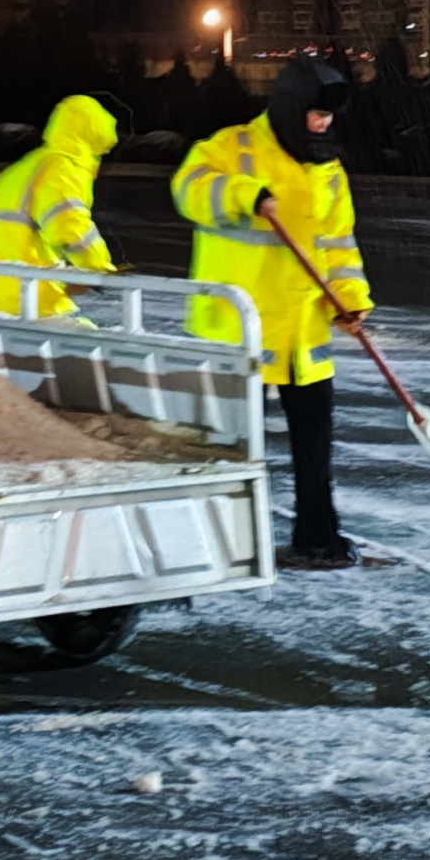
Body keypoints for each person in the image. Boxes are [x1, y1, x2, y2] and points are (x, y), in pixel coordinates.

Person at [172, 58, 373, 570]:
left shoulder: (327, 169)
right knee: (231, 449)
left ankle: (317, 536)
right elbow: (187, 189)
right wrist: (246, 195)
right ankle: (216, 543)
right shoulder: (232, 148)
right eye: (315, 114)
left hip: (302, 331)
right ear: (290, 107)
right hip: (239, 330)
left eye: (329, 117)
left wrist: (350, 300)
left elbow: (339, 244)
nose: (324, 124)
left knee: (315, 444)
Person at [0, 93, 121, 318]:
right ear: (92, 136)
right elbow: (69, 228)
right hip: (18, 292)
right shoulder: (62, 167)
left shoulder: (32, 164)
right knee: (85, 347)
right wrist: (98, 267)